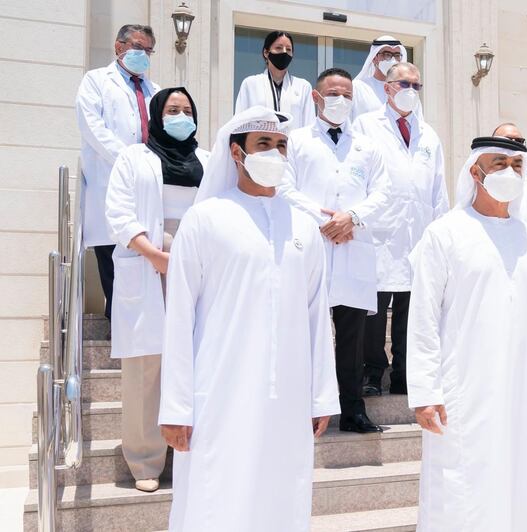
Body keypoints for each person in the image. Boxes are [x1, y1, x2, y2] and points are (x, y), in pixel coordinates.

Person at [159, 106, 340, 531]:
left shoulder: (303, 226)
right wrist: (176, 406)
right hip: (218, 395)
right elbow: (180, 316)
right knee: (215, 497)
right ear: (237, 153)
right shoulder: (206, 219)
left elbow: (317, 316)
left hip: (289, 399)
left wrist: (320, 395)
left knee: (283, 496)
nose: (275, 154)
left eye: (282, 146)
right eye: (264, 145)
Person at [407, 136, 527, 532]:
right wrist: (425, 391)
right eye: (498, 163)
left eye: (516, 166)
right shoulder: (444, 234)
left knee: (521, 489)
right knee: (461, 496)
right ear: (475, 172)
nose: (508, 172)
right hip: (462, 394)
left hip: (524, 394)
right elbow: (424, 319)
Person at [105, 87, 209, 493]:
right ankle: (145, 462)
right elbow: (118, 212)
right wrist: (155, 255)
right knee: (147, 367)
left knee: (198, 358)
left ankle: (193, 452)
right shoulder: (134, 157)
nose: (180, 115)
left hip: (199, 260)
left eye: (187, 109)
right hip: (151, 256)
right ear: (156, 114)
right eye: (172, 109)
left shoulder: (208, 159)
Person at [280, 68, 390, 434]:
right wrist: (323, 220)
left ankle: (352, 409)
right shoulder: (295, 142)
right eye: (333, 93)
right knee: (305, 331)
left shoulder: (368, 146)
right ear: (315, 96)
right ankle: (303, 407)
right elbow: (283, 186)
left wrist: (352, 218)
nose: (340, 100)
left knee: (352, 338)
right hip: (309, 245)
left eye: (346, 95)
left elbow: (383, 192)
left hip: (353, 247)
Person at [353, 62, 449, 398]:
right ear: (388, 87)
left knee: (413, 310)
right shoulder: (365, 125)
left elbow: (439, 191)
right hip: (377, 232)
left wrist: (442, 234)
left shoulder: (429, 134)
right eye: (404, 84)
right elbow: (358, 175)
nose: (410, 91)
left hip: (418, 234)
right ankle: (372, 372)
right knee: (375, 310)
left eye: (416, 86)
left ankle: (404, 376)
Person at [76, 24, 160, 323]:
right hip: (110, 179)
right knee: (112, 256)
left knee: (142, 254)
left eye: (148, 50)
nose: (143, 55)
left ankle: (138, 322)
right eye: (138, 47)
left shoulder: (154, 90)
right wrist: (128, 158)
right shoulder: (96, 81)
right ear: (119, 46)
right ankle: (116, 323)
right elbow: (92, 127)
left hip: (146, 183)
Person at [235, 30, 315, 128]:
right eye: (279, 48)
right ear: (266, 52)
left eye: (288, 49)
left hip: (292, 142)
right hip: (259, 142)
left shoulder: (303, 86)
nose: (284, 52)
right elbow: (239, 122)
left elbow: (309, 125)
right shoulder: (250, 84)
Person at [351, 35, 422, 119]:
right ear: (374, 58)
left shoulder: (409, 91)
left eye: (397, 55)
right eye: (387, 54)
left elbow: (418, 124)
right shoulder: (357, 88)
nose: (393, 60)